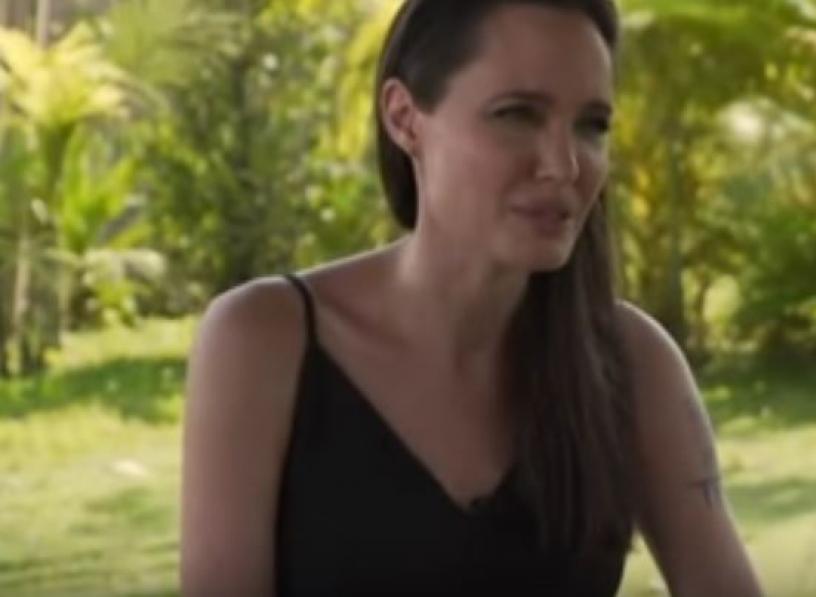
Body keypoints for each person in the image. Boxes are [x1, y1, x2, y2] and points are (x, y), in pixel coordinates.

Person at [180, 0, 762, 595]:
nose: (563, 165)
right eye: (517, 115)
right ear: (405, 118)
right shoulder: (265, 340)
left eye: (591, 125)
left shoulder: (630, 361)